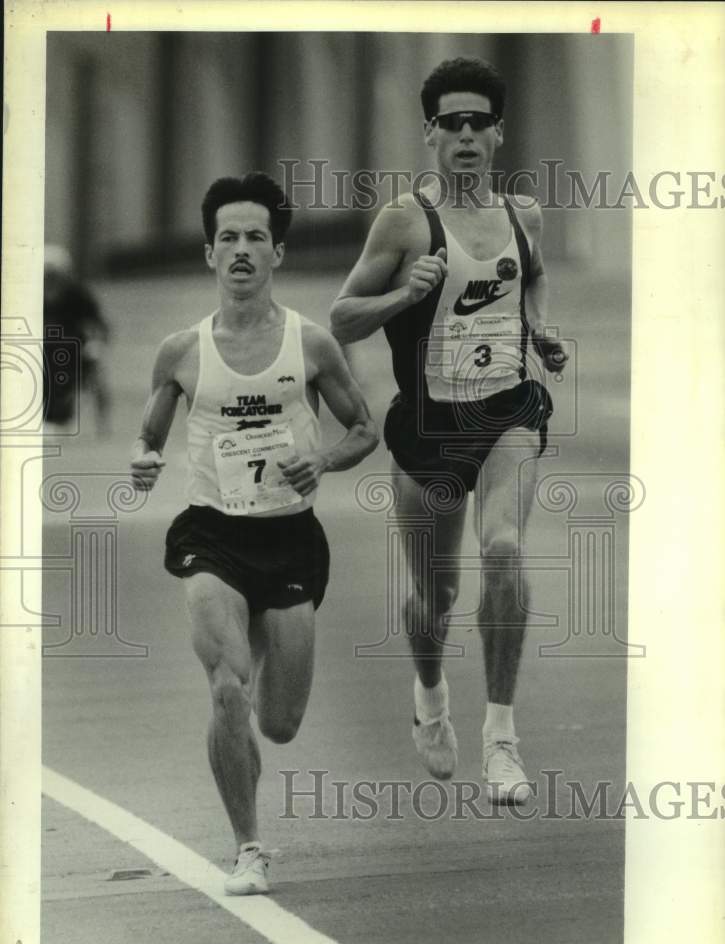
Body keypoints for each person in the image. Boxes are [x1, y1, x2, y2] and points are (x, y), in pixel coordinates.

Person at [130, 173, 378, 894]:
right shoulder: (180, 350)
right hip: (211, 535)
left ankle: (249, 700)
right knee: (225, 691)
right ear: (210, 254)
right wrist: (143, 461)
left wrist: (321, 461)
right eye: (228, 238)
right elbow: (150, 434)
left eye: (256, 238)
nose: (242, 250)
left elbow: (364, 428)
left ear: (278, 254)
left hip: (290, 539)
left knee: (278, 723)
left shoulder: (313, 344)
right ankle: (247, 847)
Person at [330, 57, 568, 804]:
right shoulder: (404, 220)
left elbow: (529, 280)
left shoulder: (524, 214)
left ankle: (501, 737)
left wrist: (540, 331)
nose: (465, 136)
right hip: (427, 427)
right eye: (450, 123)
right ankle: (429, 695)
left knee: (502, 547)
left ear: (499, 133)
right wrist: (407, 291)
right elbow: (341, 319)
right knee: (435, 595)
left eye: (478, 122)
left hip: (508, 413)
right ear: (430, 134)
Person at [43, 244, 112, 435]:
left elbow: (100, 324)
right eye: (46, 276)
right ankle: (50, 416)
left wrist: (97, 344)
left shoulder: (78, 294)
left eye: (53, 275)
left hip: (75, 351)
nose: (50, 281)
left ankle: (63, 417)